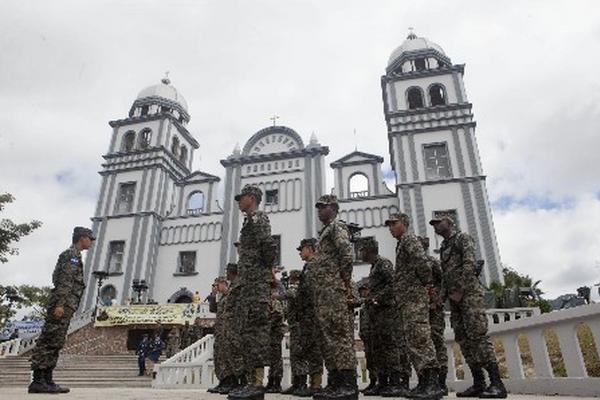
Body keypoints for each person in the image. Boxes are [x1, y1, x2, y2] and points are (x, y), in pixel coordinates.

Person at [430, 216, 507, 398]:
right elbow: (446, 277)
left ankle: (497, 384)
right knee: (463, 339)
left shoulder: (463, 238)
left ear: (449, 223)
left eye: (438, 222)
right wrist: (440, 299)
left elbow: (470, 264)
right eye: (433, 224)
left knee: (478, 336)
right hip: (454, 300)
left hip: (469, 296)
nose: (435, 226)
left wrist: (461, 290)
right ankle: (479, 383)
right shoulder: (443, 248)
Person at [28, 226, 95, 394]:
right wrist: (59, 304)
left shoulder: (75, 256)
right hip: (62, 305)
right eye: (90, 238)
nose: (92, 242)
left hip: (66, 305)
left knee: (56, 342)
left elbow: (57, 277)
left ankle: (47, 379)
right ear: (82, 238)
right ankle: (38, 380)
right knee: (49, 341)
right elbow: (64, 281)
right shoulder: (71, 255)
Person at [385, 213, 442, 399]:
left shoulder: (409, 240)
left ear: (405, 224)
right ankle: (424, 383)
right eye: (389, 225)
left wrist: (427, 284)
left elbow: (422, 263)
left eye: (394, 223)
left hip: (414, 299)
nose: (391, 227)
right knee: (413, 341)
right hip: (407, 300)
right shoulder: (401, 243)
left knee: (420, 338)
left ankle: (432, 384)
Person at [308, 194, 358, 400]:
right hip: (324, 294)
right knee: (328, 338)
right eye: (318, 207)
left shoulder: (338, 227)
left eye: (323, 206)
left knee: (339, 336)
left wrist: (344, 281)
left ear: (334, 208)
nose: (319, 210)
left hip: (334, 291)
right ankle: (336, 382)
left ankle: (348, 385)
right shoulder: (325, 231)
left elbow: (347, 255)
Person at [228, 185, 275, 400]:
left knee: (256, 333)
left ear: (252, 198)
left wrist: (262, 271)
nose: (238, 201)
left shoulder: (259, 219)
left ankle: (257, 385)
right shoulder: (248, 221)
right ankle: (250, 382)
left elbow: (268, 247)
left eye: (241, 197)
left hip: (257, 287)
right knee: (247, 333)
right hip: (248, 287)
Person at [358, 237, 409, 397]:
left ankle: (395, 382)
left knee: (390, 347)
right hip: (378, 315)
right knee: (379, 349)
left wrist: (377, 298)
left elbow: (393, 284)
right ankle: (383, 382)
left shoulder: (383, 263)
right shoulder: (374, 267)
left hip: (387, 313)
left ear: (369, 250)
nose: (359, 253)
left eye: (361, 250)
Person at [419, 236, 449, 396]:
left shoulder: (432, 262)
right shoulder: (415, 264)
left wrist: (438, 300)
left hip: (434, 308)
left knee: (437, 341)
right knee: (424, 343)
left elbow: (444, 281)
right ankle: (426, 381)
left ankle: (441, 382)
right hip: (420, 309)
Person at [265, 267, 286, 393]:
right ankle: (271, 381)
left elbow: (278, 313)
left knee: (276, 357)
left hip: (275, 328)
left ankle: (276, 382)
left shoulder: (278, 289)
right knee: (271, 357)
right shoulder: (268, 291)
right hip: (270, 328)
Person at [357, 280, 377, 395]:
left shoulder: (373, 303)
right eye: (362, 291)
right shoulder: (365, 305)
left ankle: (378, 381)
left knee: (375, 359)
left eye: (365, 290)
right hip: (366, 335)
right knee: (369, 360)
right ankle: (372, 381)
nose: (363, 293)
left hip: (374, 334)